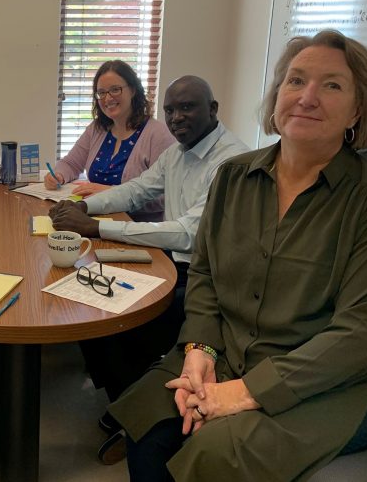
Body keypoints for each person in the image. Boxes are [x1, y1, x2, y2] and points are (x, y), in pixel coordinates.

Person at [112, 30, 367, 482]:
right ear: (277, 97)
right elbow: (205, 275)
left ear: (357, 109)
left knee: (215, 453)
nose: (307, 97)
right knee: (148, 425)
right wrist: (199, 349)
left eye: (332, 85)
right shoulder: (233, 177)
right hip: (224, 351)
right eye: (295, 81)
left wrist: (247, 392)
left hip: (321, 379)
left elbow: (362, 332)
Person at [49, 75, 248, 464]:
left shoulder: (229, 161)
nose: (176, 118)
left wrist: (96, 227)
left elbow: (191, 232)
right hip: (169, 263)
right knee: (87, 298)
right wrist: (85, 208)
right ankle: (126, 404)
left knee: (122, 319)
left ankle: (135, 414)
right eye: (170, 109)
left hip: (208, 280)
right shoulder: (178, 152)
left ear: (213, 110)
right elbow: (138, 189)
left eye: (187, 107)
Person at [46, 60, 175, 221]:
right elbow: (71, 163)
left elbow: (166, 196)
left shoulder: (157, 134)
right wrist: (58, 175)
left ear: (133, 90)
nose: (107, 99)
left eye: (115, 90)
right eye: (101, 92)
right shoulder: (97, 129)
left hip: (136, 229)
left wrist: (111, 193)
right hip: (95, 221)